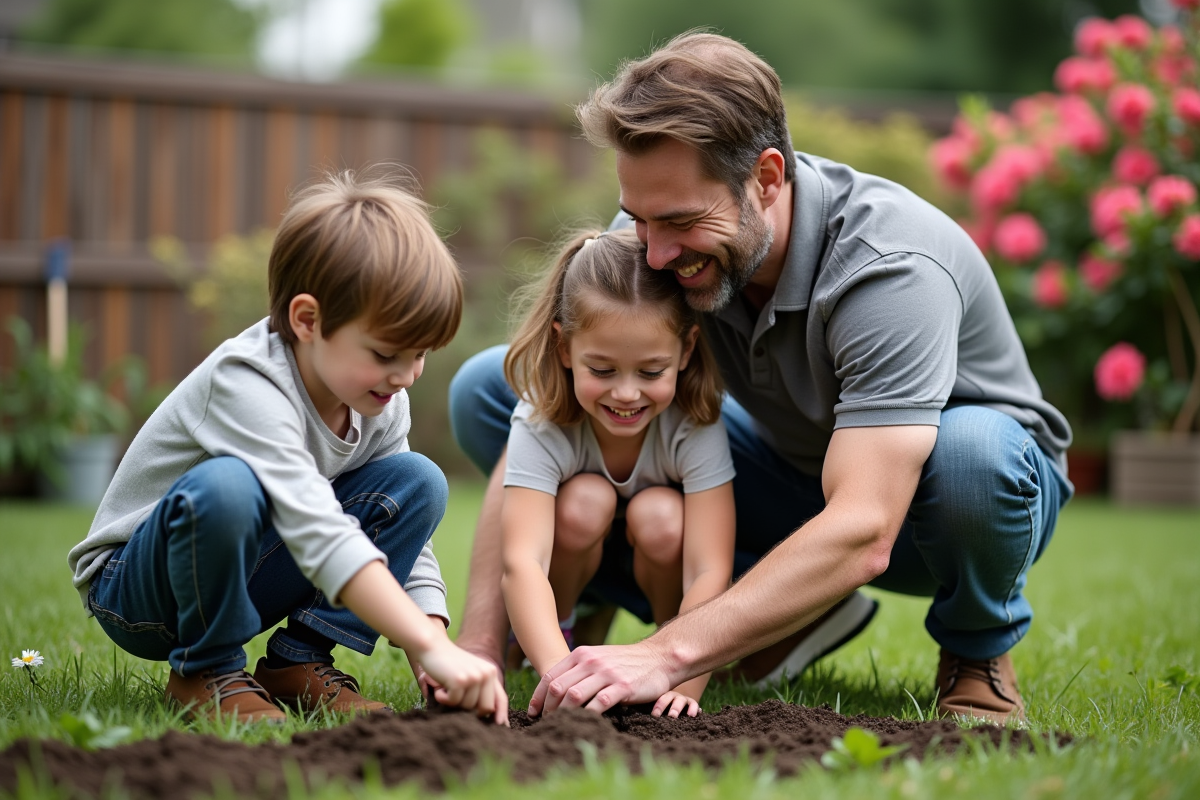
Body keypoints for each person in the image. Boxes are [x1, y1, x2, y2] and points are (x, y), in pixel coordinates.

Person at [450, 32, 1073, 726]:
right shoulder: (668, 237)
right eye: (639, 218)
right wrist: (476, 642)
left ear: (768, 179)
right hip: (788, 470)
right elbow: (546, 412)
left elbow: (867, 524)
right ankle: (769, 612)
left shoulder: (888, 266)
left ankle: (976, 647)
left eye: (681, 221)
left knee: (970, 458)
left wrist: (669, 653)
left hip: (939, 513)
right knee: (492, 391)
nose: (653, 253)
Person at [68, 171, 507, 725]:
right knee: (228, 485)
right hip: (141, 589)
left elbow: (404, 533)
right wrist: (425, 642)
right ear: (308, 320)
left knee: (418, 480)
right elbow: (316, 527)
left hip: (248, 566)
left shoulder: (380, 398)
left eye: (420, 354)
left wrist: (432, 636)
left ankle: (297, 663)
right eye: (387, 352)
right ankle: (206, 669)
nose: (407, 375)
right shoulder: (247, 382)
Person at [500, 228, 735, 718]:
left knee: (661, 514)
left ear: (686, 351)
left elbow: (710, 568)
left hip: (655, 569)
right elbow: (521, 563)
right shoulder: (541, 423)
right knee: (586, 500)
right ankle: (566, 630)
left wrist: (683, 682)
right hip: (575, 559)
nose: (626, 394)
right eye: (603, 370)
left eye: (650, 372)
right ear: (564, 349)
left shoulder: (694, 424)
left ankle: (662, 648)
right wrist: (561, 679)